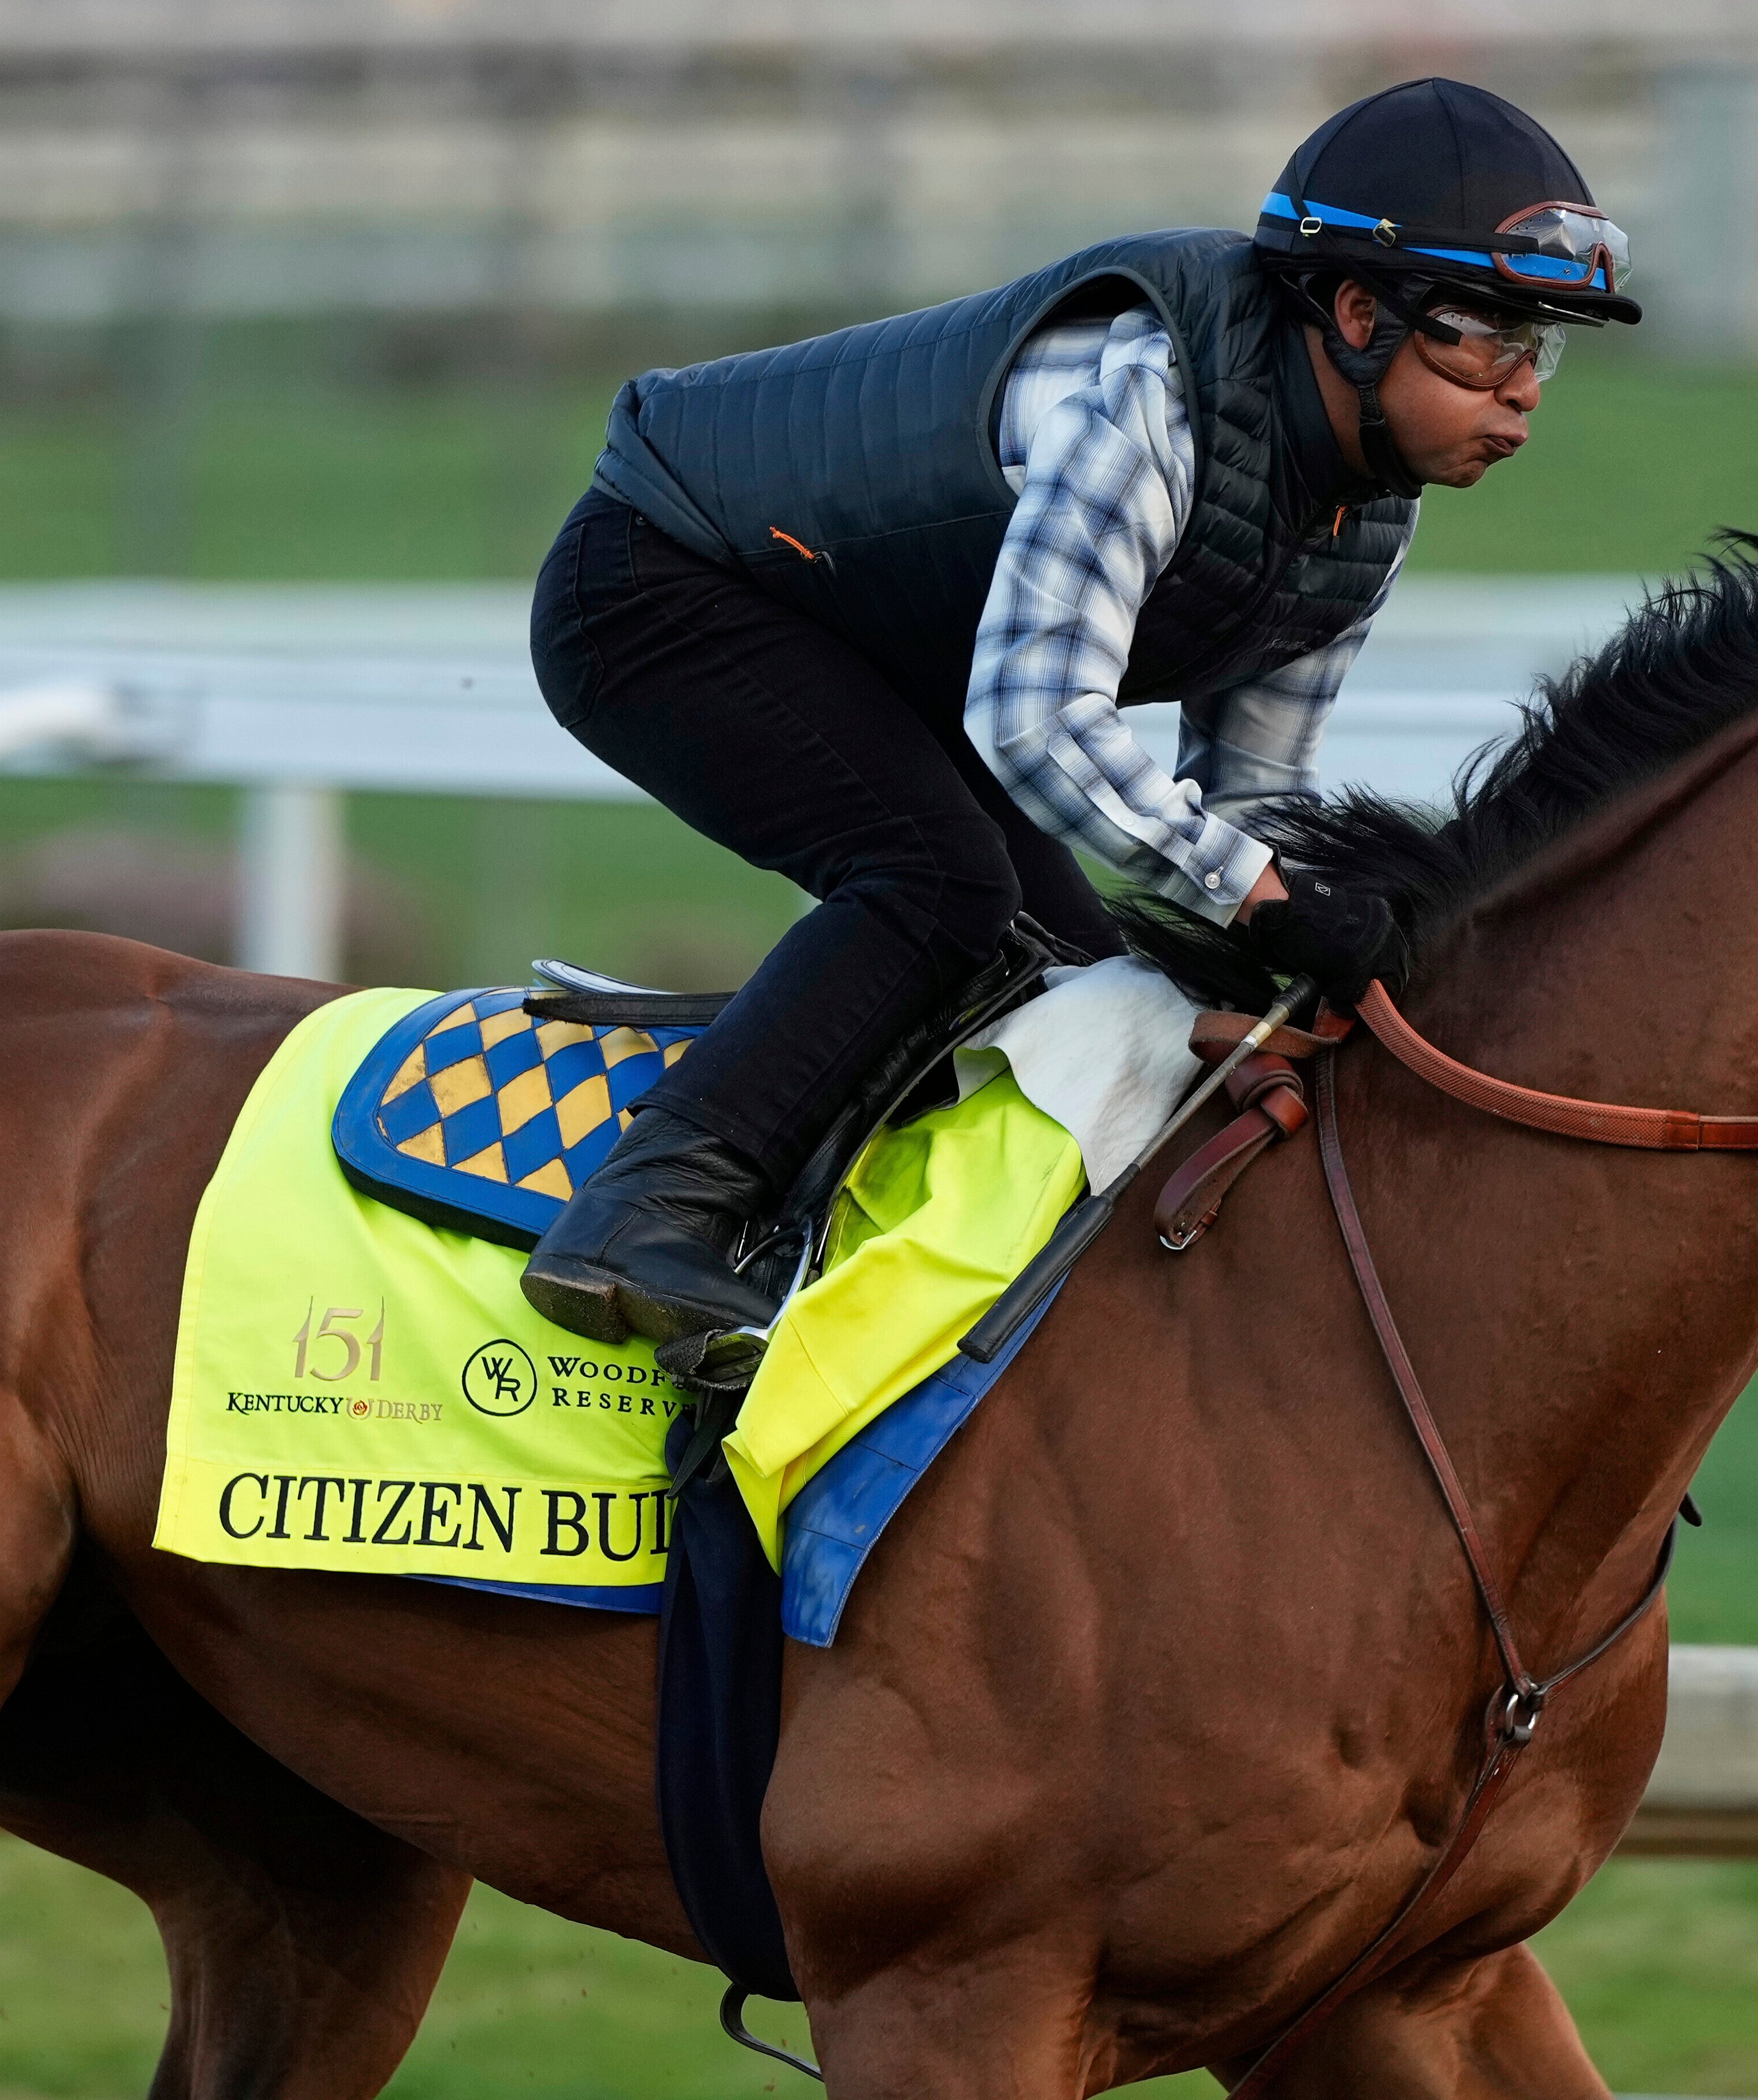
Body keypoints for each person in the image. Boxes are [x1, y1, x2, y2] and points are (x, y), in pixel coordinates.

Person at [518, 76, 1639, 1376]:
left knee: (1089, 971)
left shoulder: (1368, 511)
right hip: (658, 580)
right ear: (1352, 312)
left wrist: (1302, 927)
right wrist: (1262, 900)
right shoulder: (1149, 397)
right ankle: (649, 1211)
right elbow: (1033, 722)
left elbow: (1250, 787)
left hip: (860, 646)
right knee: (938, 885)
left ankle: (876, 1278)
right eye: (1484, 339)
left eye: (1540, 347)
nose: (1522, 393)